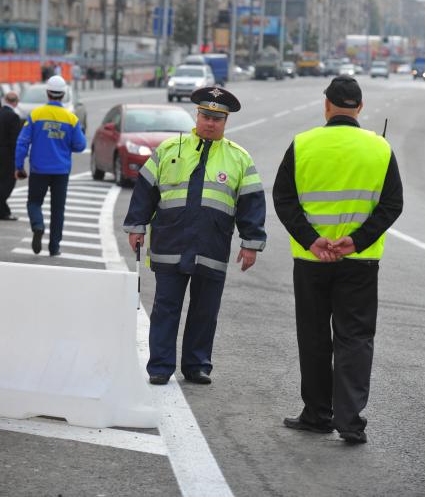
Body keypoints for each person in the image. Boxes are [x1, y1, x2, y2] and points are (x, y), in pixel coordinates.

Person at [272, 75, 403, 444]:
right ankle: (350, 421)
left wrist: (313, 240)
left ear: (326, 105)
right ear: (360, 108)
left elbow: (283, 199)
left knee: (314, 338)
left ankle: (317, 415)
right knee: (355, 338)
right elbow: (393, 205)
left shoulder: (302, 145)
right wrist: (356, 241)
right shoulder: (379, 148)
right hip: (359, 263)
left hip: (311, 261)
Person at [124, 86, 267, 385]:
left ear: (225, 122)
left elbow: (252, 202)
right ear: (197, 115)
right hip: (170, 243)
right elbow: (145, 191)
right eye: (205, 116)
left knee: (205, 311)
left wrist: (251, 243)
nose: (210, 123)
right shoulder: (168, 149)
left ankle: (197, 364)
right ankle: (160, 367)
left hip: (211, 246)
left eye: (217, 118)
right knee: (166, 308)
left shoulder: (239, 158)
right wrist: (137, 226)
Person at [15, 75, 86, 256]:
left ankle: (38, 225)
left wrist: (19, 165)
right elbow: (80, 145)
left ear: (47, 93)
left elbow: (22, 142)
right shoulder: (71, 119)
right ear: (63, 95)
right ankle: (54, 247)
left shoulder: (35, 115)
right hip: (61, 171)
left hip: (39, 169)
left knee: (34, 202)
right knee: (58, 210)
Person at [0, 91, 21, 221]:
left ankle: (4, 211)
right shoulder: (13, 117)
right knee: (8, 182)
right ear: (16, 102)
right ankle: (3, 211)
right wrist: (18, 159)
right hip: (7, 155)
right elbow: (15, 140)